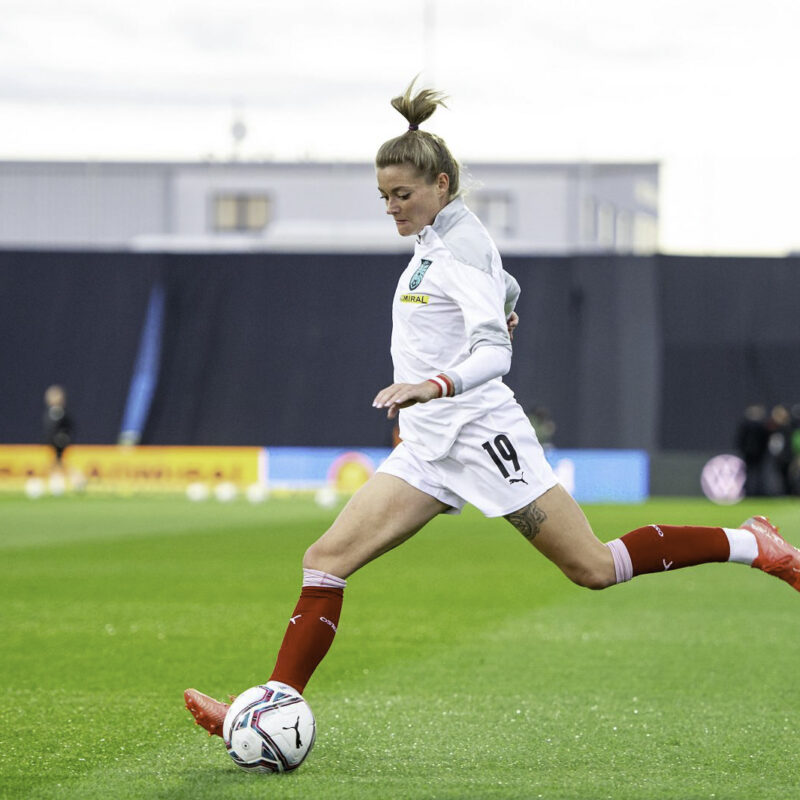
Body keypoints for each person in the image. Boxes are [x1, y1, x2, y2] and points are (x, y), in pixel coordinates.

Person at [184, 80, 800, 740]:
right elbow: (503, 289)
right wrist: (502, 307)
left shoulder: (459, 248)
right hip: (428, 447)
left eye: (403, 195)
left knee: (593, 568)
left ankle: (753, 545)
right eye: (384, 196)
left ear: (441, 184)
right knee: (325, 559)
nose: (392, 208)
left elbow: (494, 354)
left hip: (480, 434)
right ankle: (268, 709)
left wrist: (434, 384)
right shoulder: (438, 237)